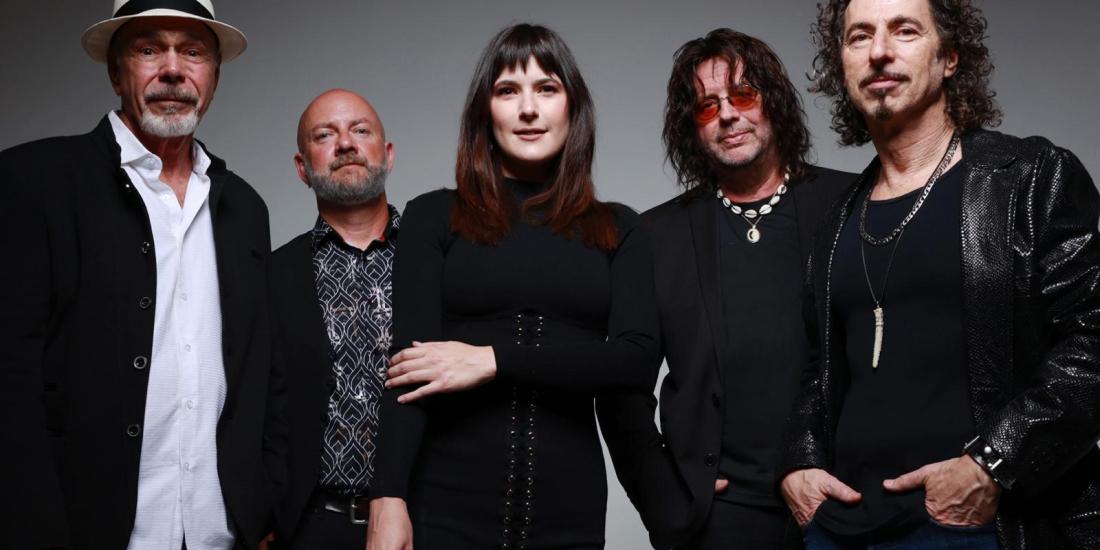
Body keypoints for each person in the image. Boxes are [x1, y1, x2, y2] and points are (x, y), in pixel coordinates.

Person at [779, 0, 1100, 548]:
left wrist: (994, 464)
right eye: (859, 36)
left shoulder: (1029, 178)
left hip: (975, 523)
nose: (879, 52)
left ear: (949, 56)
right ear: (842, 64)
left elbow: (1093, 337)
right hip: (843, 526)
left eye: (904, 30)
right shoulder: (838, 219)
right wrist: (800, 463)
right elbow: (820, 367)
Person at [0, 1, 286, 549]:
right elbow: (10, 379)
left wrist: (263, 501)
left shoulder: (246, 209)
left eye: (193, 52)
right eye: (149, 49)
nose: (173, 69)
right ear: (116, 72)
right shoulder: (34, 183)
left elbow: (262, 374)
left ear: (214, 76)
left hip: (220, 534)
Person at [365, 23, 660, 550]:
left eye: (546, 88)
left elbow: (635, 362)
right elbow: (407, 371)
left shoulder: (620, 228)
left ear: (573, 107)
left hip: (569, 511)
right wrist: (388, 497)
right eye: (508, 90)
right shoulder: (433, 216)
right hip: (444, 507)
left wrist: (492, 360)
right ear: (485, 111)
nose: (528, 109)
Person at [596, 29, 853, 550]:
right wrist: (666, 501)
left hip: (843, 501)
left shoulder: (849, 203)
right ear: (691, 126)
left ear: (772, 101)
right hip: (719, 522)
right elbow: (620, 386)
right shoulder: (656, 235)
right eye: (707, 106)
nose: (728, 115)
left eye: (743, 95)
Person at [268, 89, 398, 548]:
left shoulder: (438, 262)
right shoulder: (272, 276)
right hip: (312, 527)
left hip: (428, 519)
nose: (345, 144)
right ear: (302, 168)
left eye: (360, 130)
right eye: (324, 135)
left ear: (387, 154)